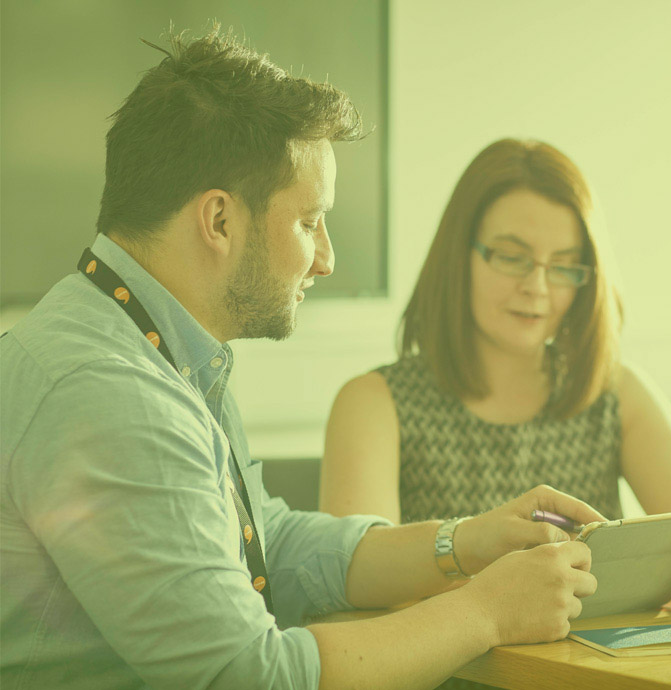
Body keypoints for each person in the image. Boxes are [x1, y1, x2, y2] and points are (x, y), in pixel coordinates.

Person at [0, 29, 604, 690]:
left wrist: (462, 543)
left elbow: (269, 543)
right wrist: (485, 612)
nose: (326, 258)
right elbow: (247, 675)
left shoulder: (151, 343)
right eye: (309, 221)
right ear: (220, 221)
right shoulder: (111, 395)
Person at [321, 138, 671, 611]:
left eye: (565, 266)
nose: (537, 287)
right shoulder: (373, 402)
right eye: (512, 257)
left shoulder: (615, 392)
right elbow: (354, 583)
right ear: (458, 256)